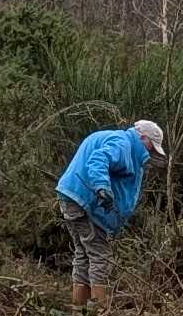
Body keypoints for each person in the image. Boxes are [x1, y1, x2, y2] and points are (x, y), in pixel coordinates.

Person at [52, 118, 165, 302]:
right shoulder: (123, 144)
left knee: (83, 255)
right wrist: (102, 187)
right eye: (151, 145)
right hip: (85, 201)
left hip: (72, 197)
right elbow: (98, 160)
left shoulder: (119, 140)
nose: (151, 150)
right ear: (142, 137)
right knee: (99, 257)